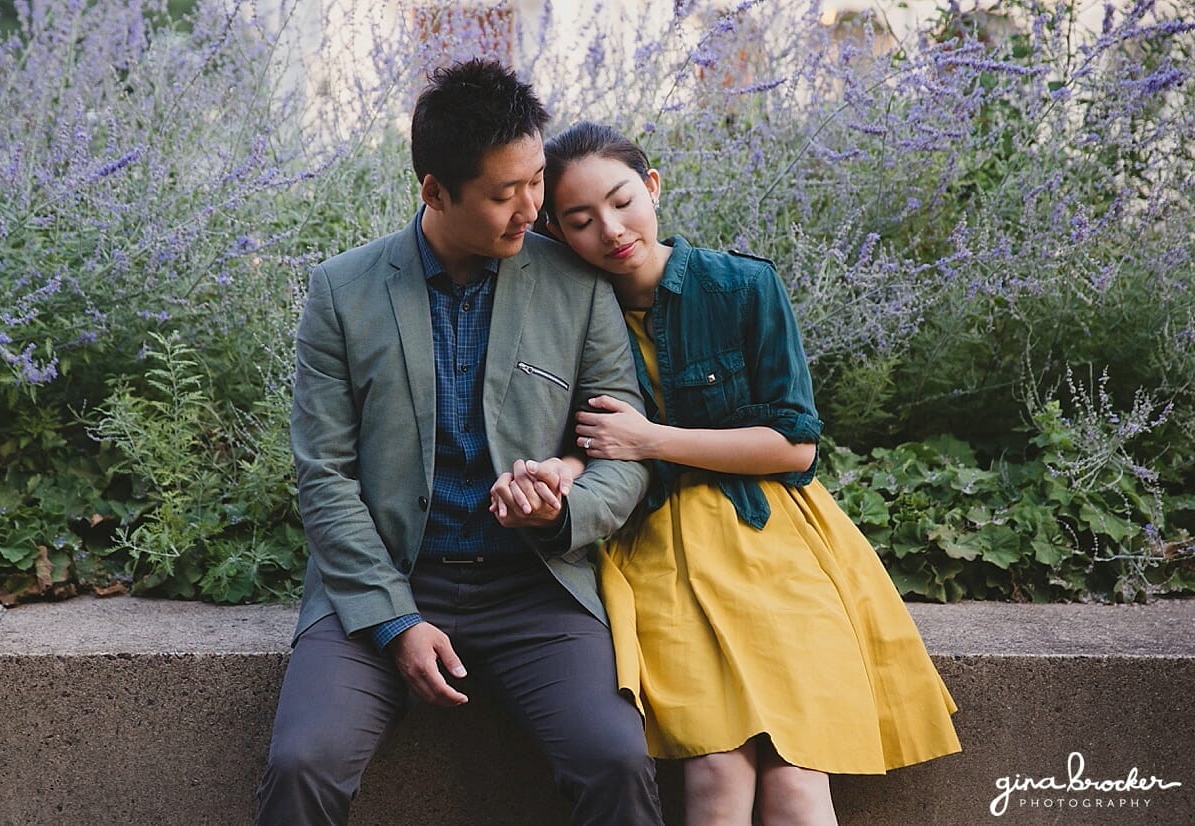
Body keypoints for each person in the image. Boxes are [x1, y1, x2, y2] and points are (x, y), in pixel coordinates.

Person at [255, 67, 663, 826]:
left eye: (537, 181)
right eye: (505, 194)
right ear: (435, 192)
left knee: (617, 761)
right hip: (384, 582)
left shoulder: (575, 283)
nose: (532, 209)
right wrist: (394, 621)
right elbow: (324, 477)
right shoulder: (342, 292)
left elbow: (622, 449)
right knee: (302, 764)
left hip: (537, 584)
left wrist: (560, 510)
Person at [536, 121, 962, 825]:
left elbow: (794, 446)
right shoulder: (576, 314)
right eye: (580, 220)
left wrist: (653, 438)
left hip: (774, 542)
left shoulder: (740, 285)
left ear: (652, 187)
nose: (610, 230)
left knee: (796, 781)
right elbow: (591, 439)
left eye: (621, 201)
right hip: (660, 555)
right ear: (556, 230)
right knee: (716, 774)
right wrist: (565, 464)